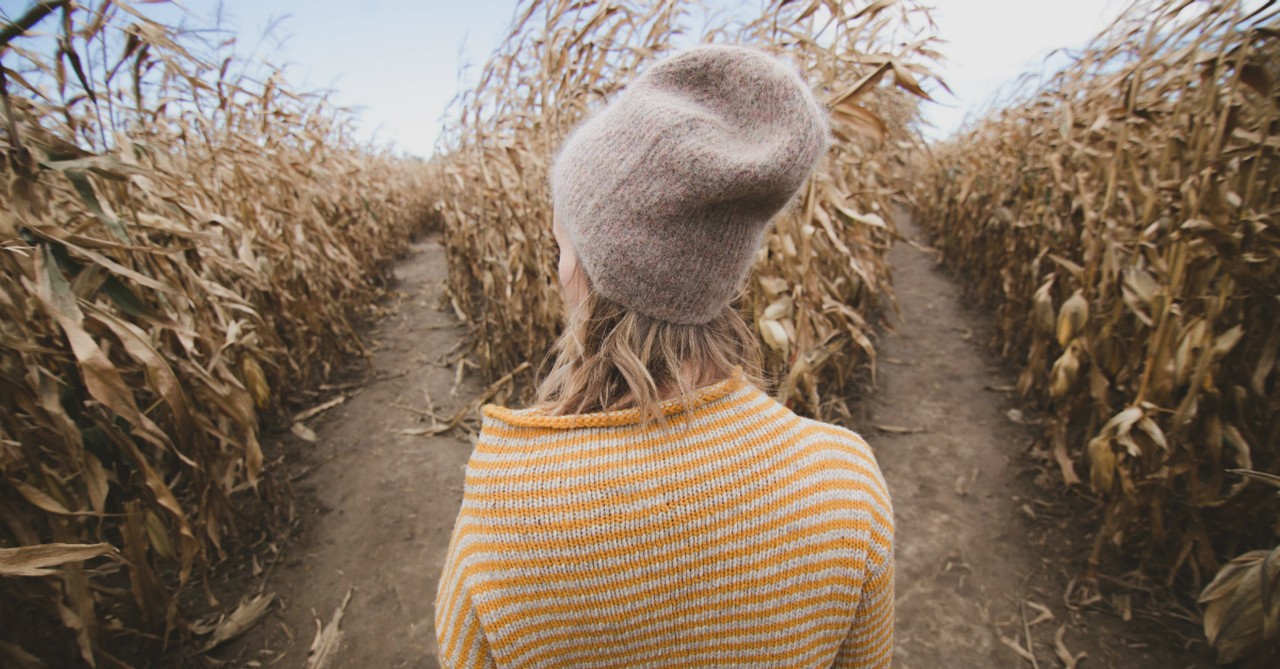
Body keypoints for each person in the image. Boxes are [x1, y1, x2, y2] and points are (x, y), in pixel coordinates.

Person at [434, 44, 894, 669]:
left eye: (562, 244)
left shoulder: (507, 511)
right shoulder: (845, 482)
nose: (558, 267)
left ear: (590, 272)